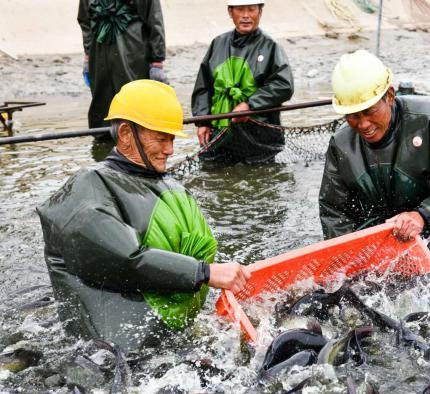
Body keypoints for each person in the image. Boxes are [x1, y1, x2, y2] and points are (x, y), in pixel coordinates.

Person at [37, 80, 250, 352]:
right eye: (161, 138)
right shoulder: (87, 188)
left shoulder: (169, 186)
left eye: (172, 139)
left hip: (170, 343)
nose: (170, 149)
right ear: (126, 133)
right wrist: (205, 273)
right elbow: (123, 258)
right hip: (113, 358)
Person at [319, 50, 430, 244]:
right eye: (353, 115)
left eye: (370, 112)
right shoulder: (341, 144)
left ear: (390, 96)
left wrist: (422, 215)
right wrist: (347, 255)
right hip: (397, 223)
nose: (363, 124)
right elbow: (334, 210)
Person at [191, 0, 294, 164]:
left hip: (259, 136)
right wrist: (203, 122)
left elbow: (283, 86)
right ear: (230, 12)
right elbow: (204, 86)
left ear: (260, 12)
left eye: (251, 9)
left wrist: (249, 105)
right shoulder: (218, 44)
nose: (246, 15)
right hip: (220, 133)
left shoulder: (271, 46)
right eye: (240, 9)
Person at [78, 0, 169, 129]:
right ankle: (104, 140)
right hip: (99, 54)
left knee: (134, 101)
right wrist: (88, 56)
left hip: (133, 51)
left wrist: (157, 62)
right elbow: (85, 20)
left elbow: (154, 20)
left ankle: (137, 136)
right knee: (102, 105)